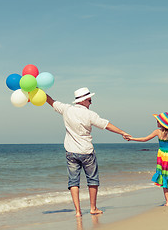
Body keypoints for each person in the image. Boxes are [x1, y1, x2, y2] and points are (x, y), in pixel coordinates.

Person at [46, 87, 130, 217]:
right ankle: (93, 208)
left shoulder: (66, 109)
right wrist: (122, 132)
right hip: (86, 151)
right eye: (90, 100)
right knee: (92, 180)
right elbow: (106, 125)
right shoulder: (90, 114)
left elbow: (50, 100)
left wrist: (36, 90)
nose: (91, 103)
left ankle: (78, 211)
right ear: (84, 100)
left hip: (71, 152)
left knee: (73, 181)